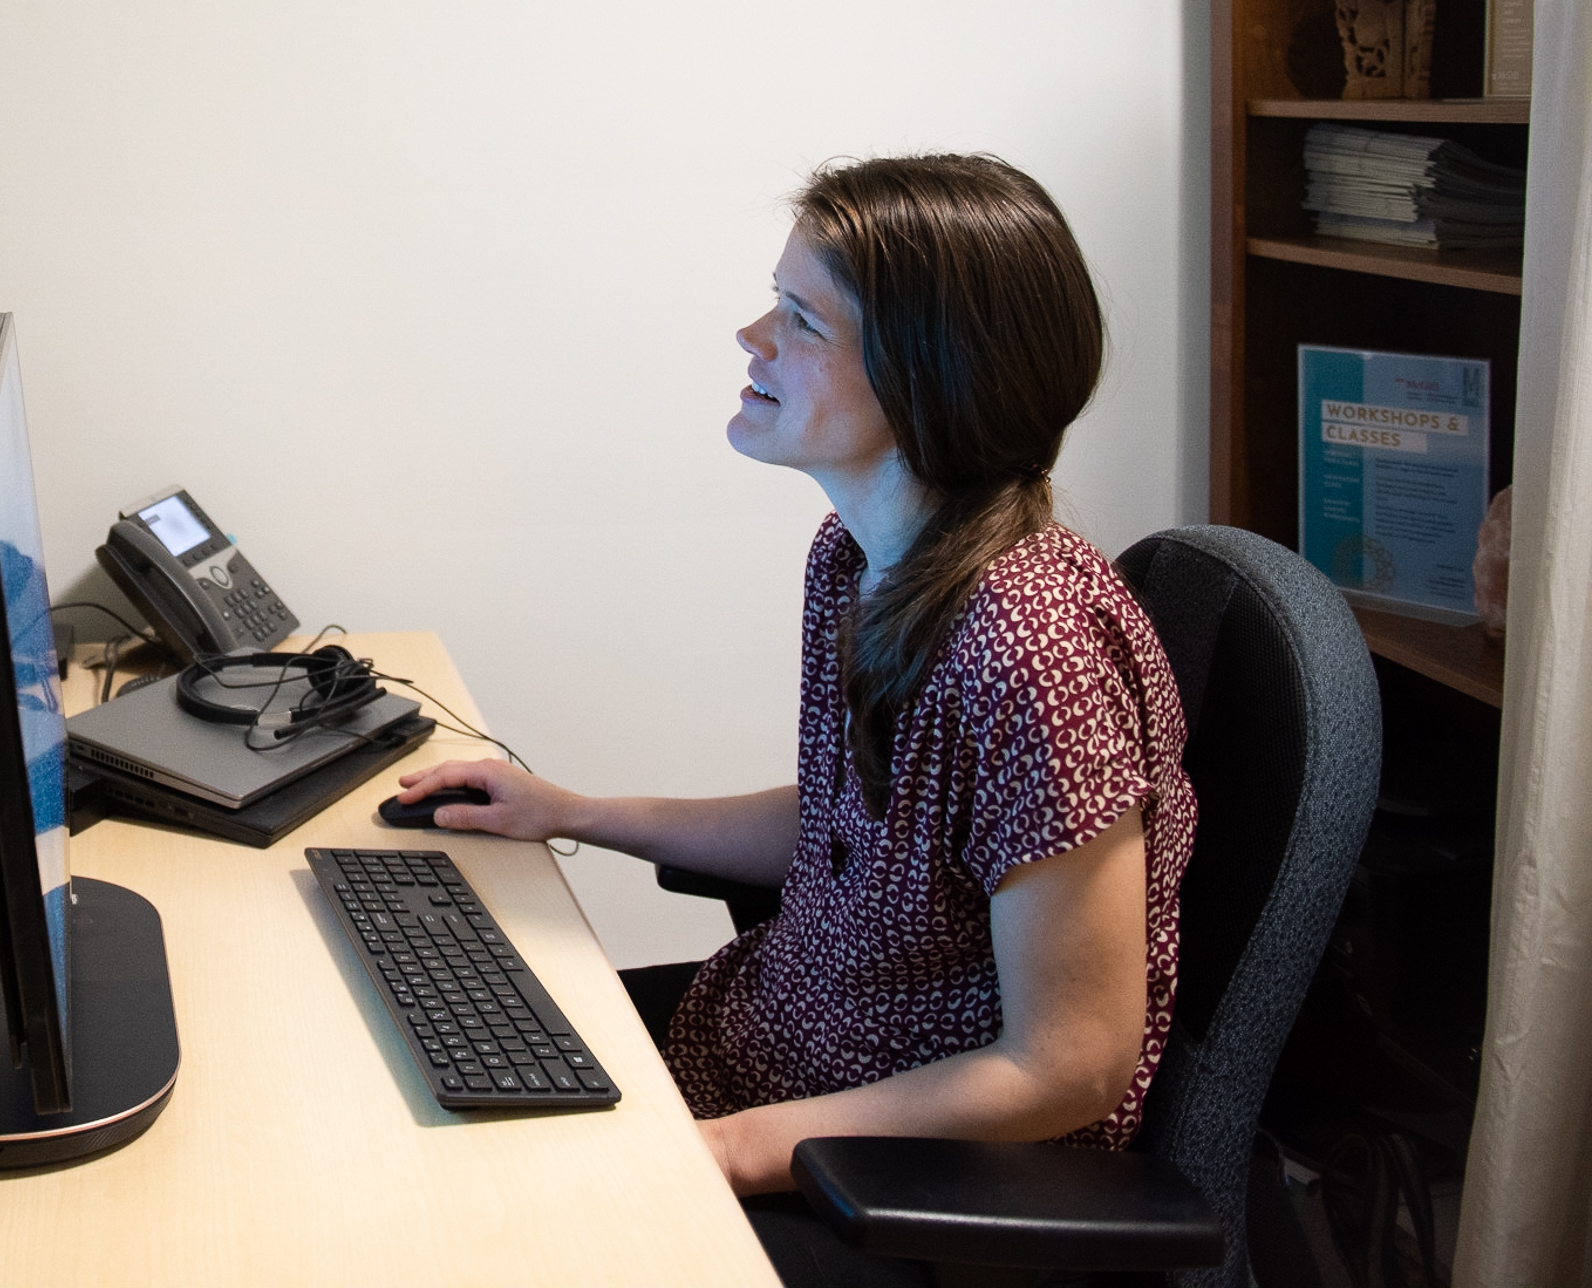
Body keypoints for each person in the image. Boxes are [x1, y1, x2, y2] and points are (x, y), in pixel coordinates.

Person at [395, 154, 1195, 1285]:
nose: (750, 334)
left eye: (801, 318)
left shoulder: (1034, 650)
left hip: (912, 1181)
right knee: (430, 1093)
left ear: (933, 373)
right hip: (774, 1047)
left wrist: (722, 1152)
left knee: (478, 1224)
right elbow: (854, 828)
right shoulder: (860, 559)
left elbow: (1071, 1062)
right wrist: (569, 810)